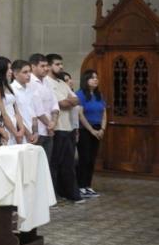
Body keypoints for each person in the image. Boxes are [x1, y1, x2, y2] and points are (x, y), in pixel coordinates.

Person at [44, 53, 82, 202]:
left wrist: (68, 101)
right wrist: (67, 101)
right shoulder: (46, 82)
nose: (61, 66)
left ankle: (71, 193)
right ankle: (53, 196)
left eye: (61, 64)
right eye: (57, 64)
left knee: (69, 163)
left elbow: (76, 99)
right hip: (57, 128)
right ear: (49, 65)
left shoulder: (62, 82)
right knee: (54, 164)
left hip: (68, 128)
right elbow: (60, 104)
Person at [76, 70, 106, 198]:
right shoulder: (80, 94)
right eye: (92, 78)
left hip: (98, 128)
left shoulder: (99, 95)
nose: (95, 79)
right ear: (85, 80)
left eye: (96, 77)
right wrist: (91, 130)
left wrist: (102, 129)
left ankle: (88, 186)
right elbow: (80, 114)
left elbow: (104, 113)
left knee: (92, 159)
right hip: (85, 130)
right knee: (84, 158)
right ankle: (80, 186)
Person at [28, 53, 59, 160]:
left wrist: (53, 122)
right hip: (37, 131)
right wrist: (49, 124)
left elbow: (54, 103)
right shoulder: (30, 82)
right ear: (33, 67)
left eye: (47, 66)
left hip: (49, 130)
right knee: (35, 164)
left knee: (46, 164)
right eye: (42, 66)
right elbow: (37, 108)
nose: (46, 69)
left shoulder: (47, 81)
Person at [0, 56, 25, 145]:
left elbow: (16, 110)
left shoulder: (8, 86)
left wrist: (21, 129)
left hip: (15, 126)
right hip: (6, 128)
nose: (11, 71)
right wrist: (15, 133)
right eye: (8, 68)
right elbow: (3, 113)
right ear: (1, 70)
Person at [11, 59, 39, 144]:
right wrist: (28, 134)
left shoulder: (30, 88)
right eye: (25, 72)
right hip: (20, 133)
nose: (29, 75)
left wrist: (35, 132)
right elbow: (16, 114)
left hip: (32, 133)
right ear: (15, 74)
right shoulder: (12, 89)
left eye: (30, 71)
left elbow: (33, 113)